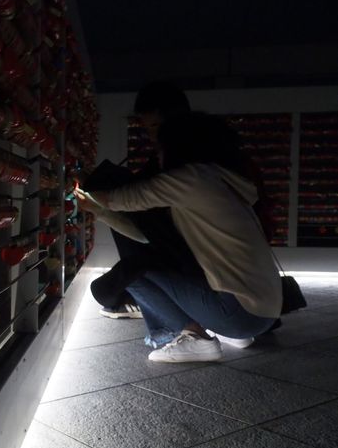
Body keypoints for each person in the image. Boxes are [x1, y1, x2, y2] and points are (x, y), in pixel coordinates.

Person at [75, 112, 282, 362]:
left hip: (240, 312)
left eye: (160, 147)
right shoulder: (222, 181)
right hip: (264, 309)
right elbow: (142, 235)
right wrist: (99, 211)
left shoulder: (192, 179)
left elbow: (126, 198)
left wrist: (83, 188)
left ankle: (196, 337)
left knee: (133, 274)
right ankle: (224, 330)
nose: (157, 156)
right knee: (149, 265)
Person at [92, 82, 192, 321]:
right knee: (106, 290)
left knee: (105, 290)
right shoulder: (175, 154)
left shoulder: (183, 161)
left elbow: (146, 195)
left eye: (156, 125)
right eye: (147, 128)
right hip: (168, 247)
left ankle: (172, 325)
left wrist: (106, 201)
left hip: (181, 253)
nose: (152, 135)